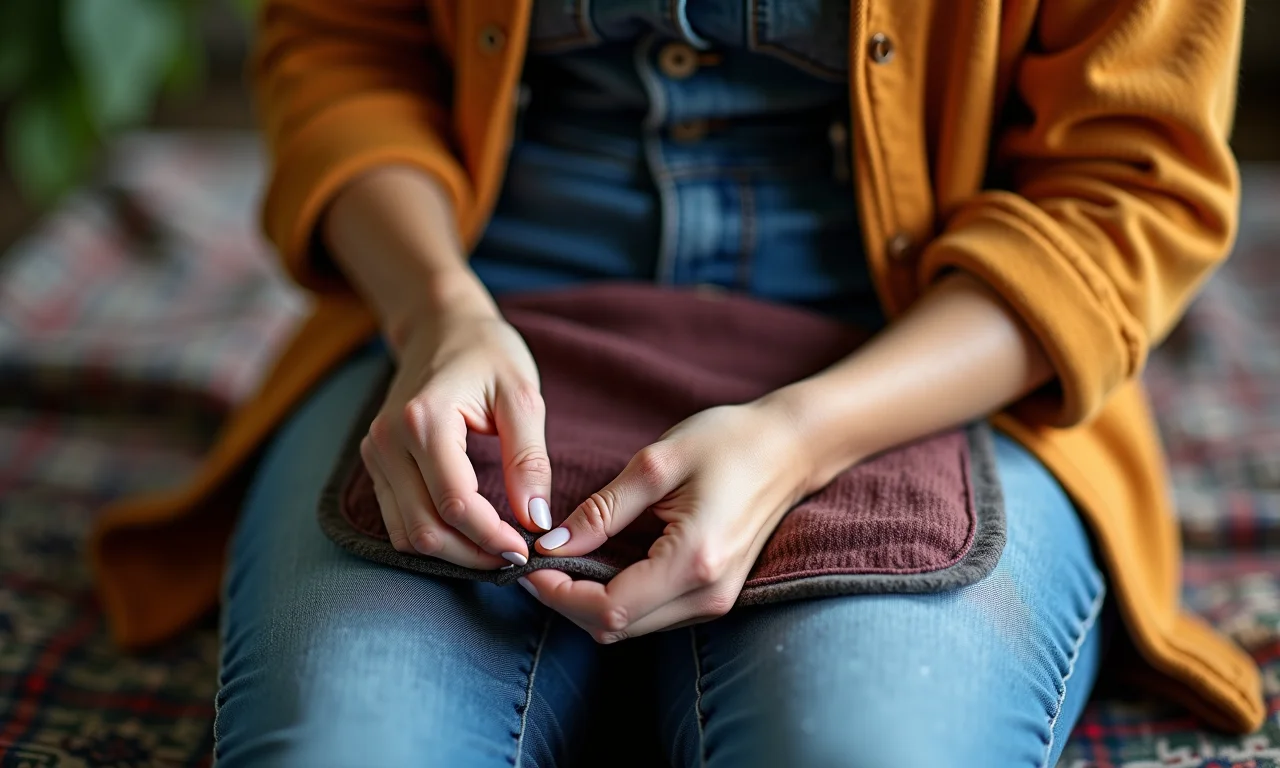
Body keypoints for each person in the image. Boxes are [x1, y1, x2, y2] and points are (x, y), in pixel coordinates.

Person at [88, 1, 1261, 766]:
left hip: (911, 356)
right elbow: (341, 46)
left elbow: (1126, 188)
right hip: (480, 307)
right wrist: (436, 311)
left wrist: (804, 434)